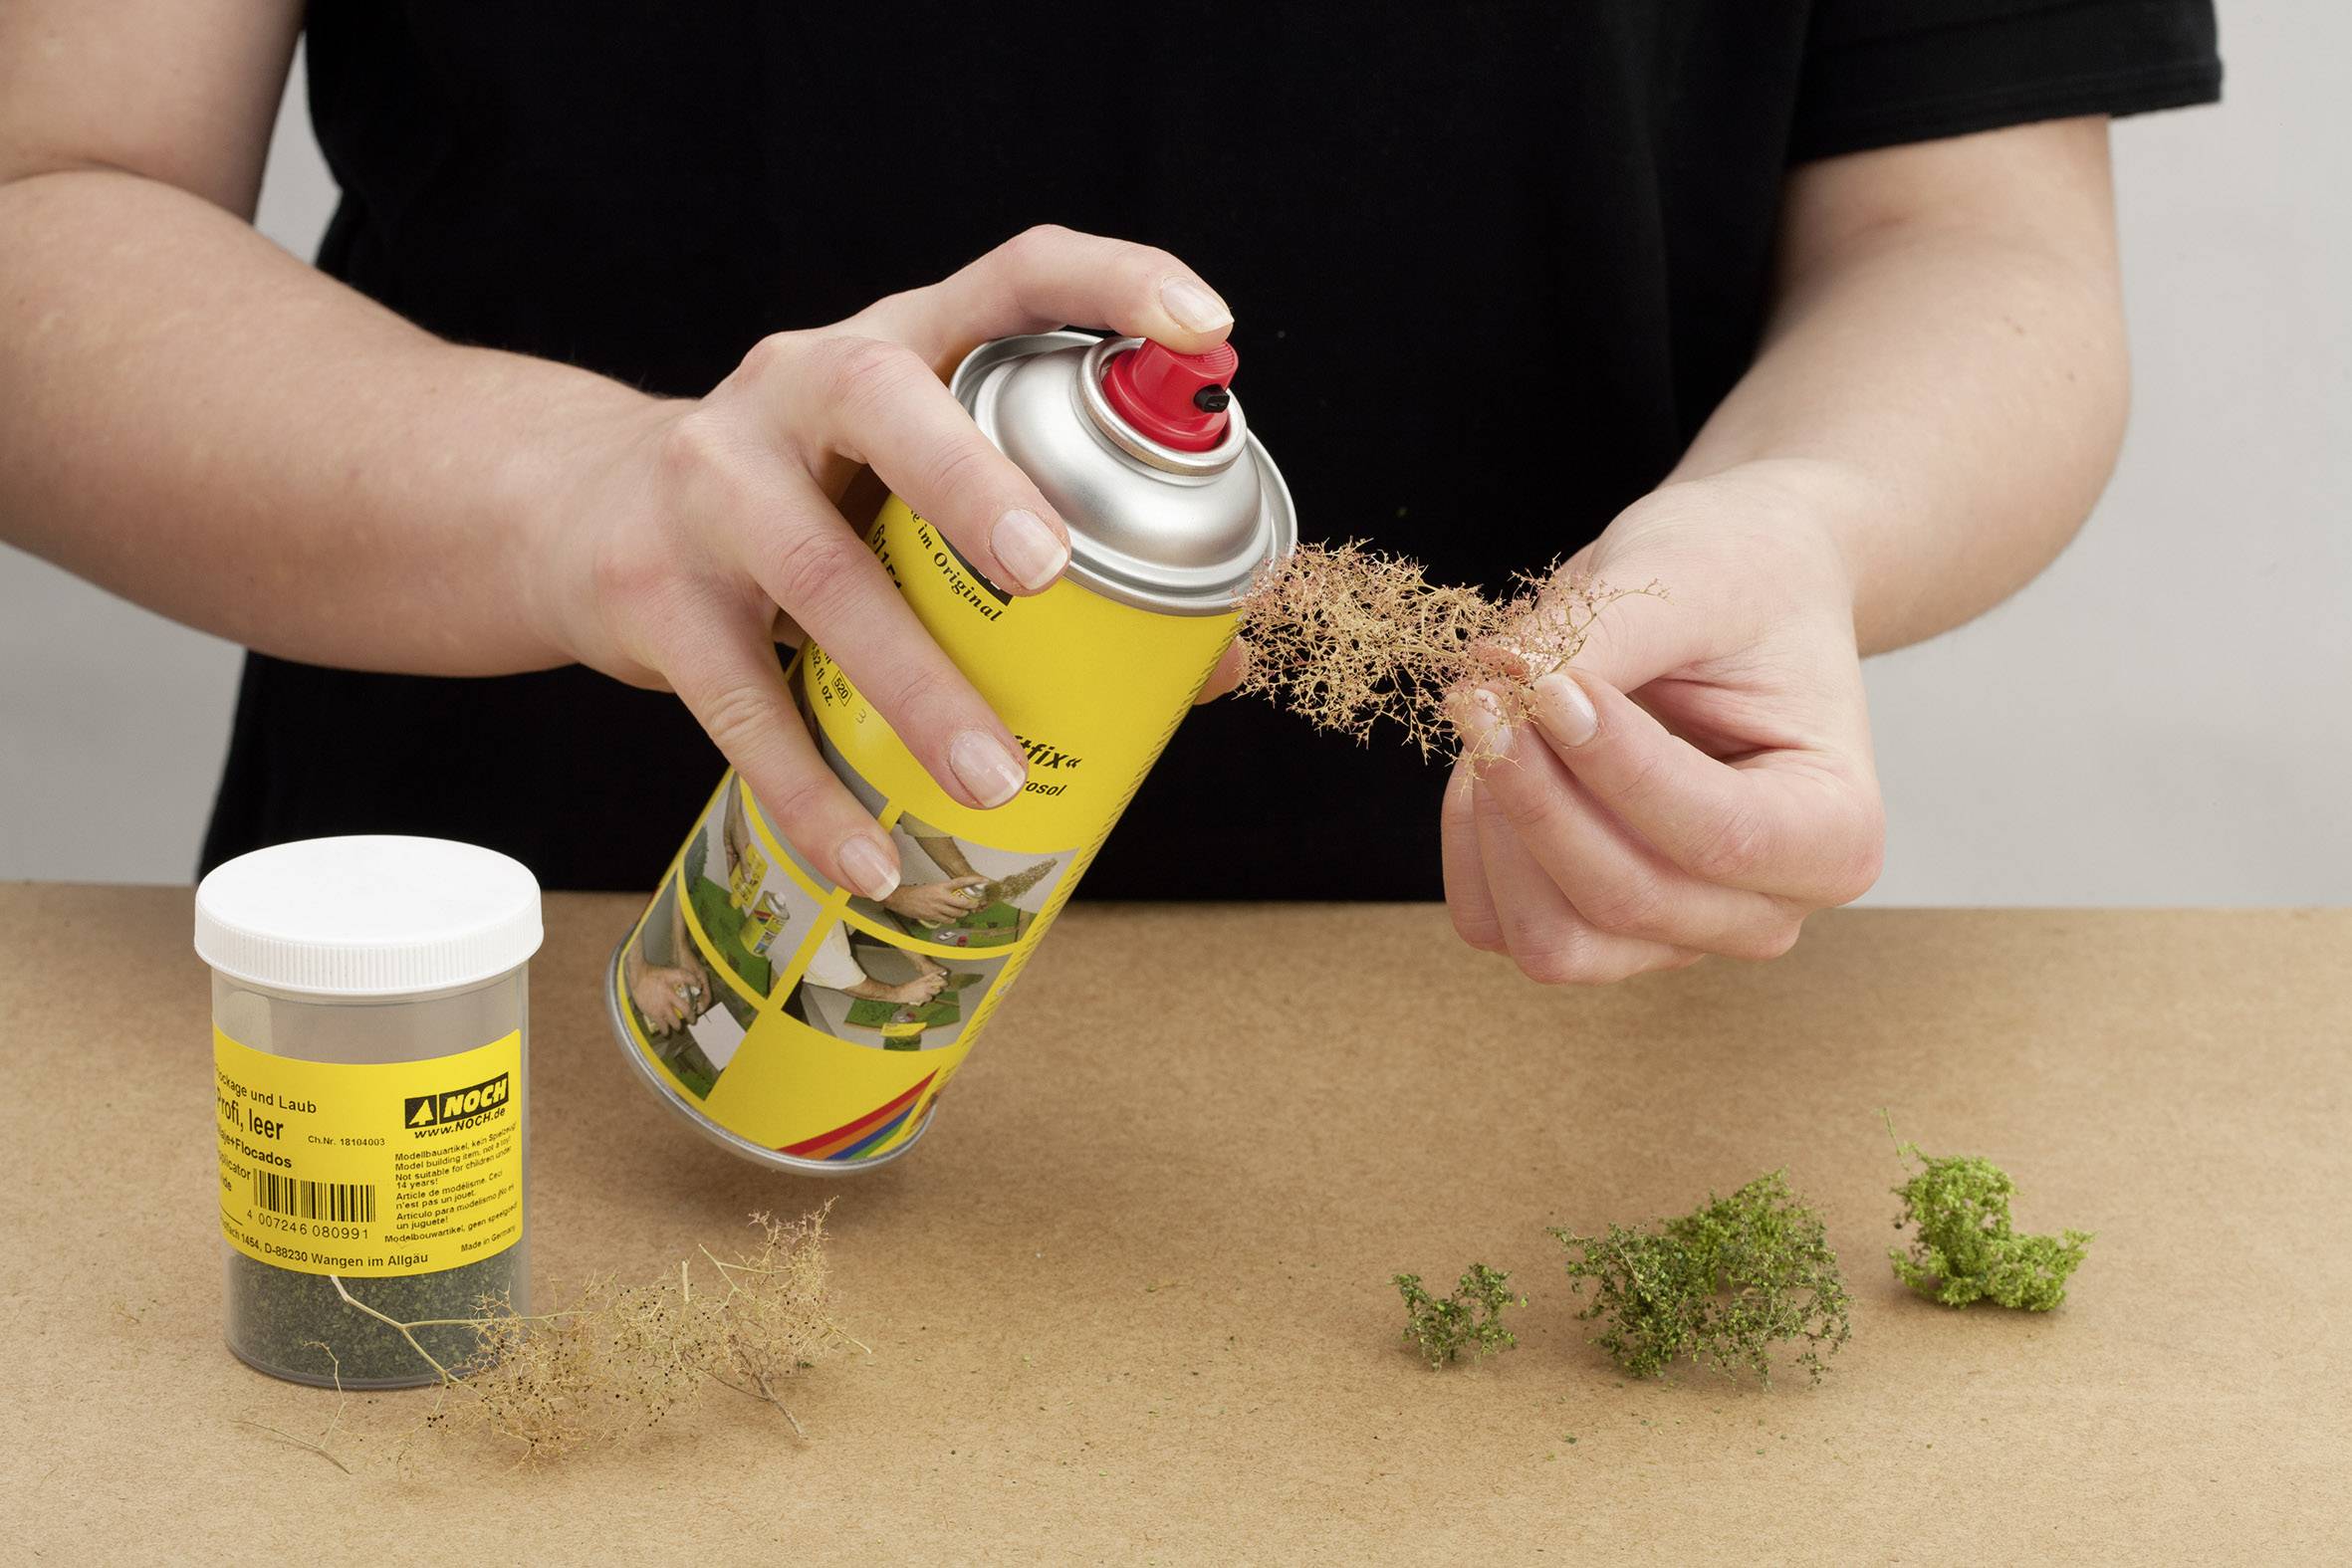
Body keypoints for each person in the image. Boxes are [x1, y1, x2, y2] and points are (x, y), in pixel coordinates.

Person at [0, 4, 2221, 985]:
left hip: (1509, 1016)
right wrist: (584, 493)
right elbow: (46, 201)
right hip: (522, 1004)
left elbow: (1971, 231)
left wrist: (1804, 520)